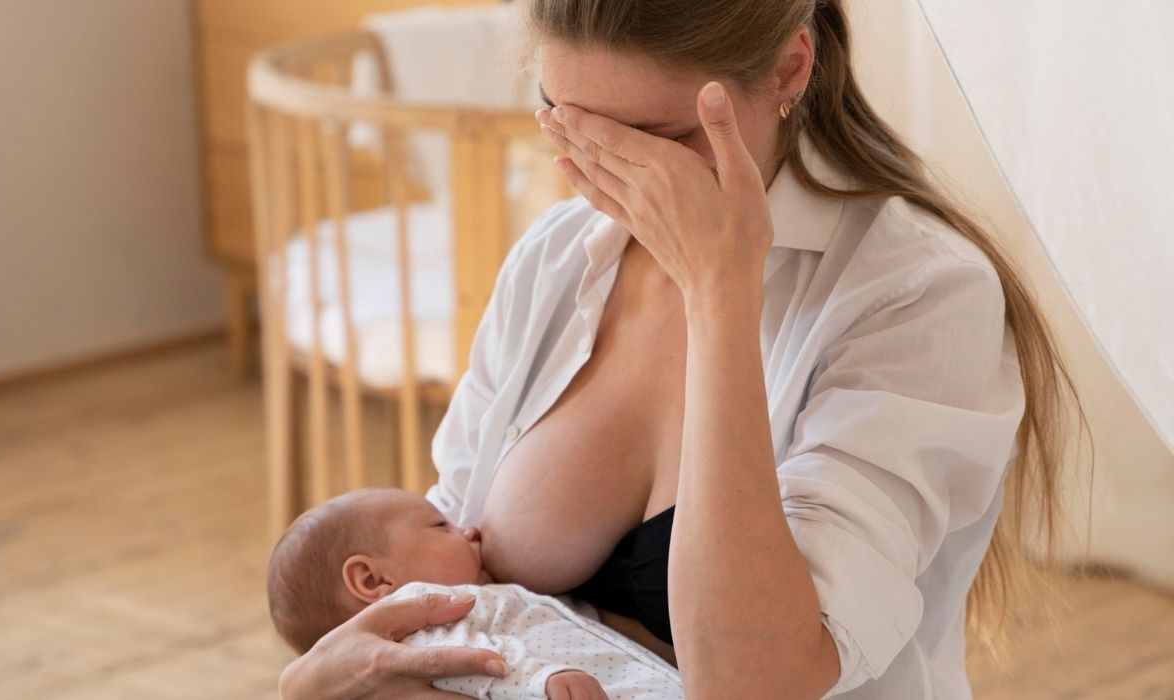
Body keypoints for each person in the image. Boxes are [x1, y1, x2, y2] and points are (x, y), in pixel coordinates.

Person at [278, 0, 1088, 698]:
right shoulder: (560, 255)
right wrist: (310, 681)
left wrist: (720, 294)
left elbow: (754, 684)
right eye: (566, 118)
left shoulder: (919, 296)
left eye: (652, 138)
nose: (604, 173)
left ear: (789, 68)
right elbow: (444, 603)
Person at [266, 488, 683, 699]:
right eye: (440, 526)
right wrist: (541, 681)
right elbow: (476, 661)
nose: (469, 529)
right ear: (374, 582)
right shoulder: (416, 623)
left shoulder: (469, 602)